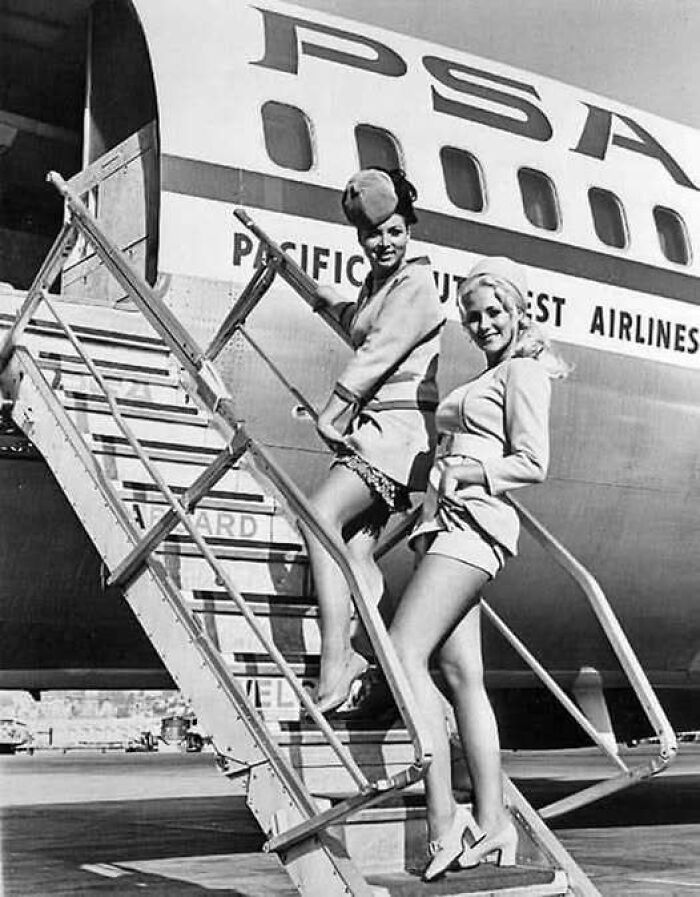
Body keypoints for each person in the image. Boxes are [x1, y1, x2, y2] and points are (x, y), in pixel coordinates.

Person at [389, 255, 570, 881]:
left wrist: (469, 472)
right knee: (462, 674)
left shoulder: (523, 371)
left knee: (403, 653)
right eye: (474, 316)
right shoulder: (492, 373)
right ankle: (493, 823)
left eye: (495, 312)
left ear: (519, 311)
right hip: (445, 524)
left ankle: (443, 821)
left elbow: (534, 461)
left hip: (472, 526)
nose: (484, 323)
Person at [301, 167, 445, 715]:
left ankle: (337, 660)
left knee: (318, 517)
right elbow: (363, 324)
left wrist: (332, 411)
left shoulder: (416, 283)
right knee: (355, 550)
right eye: (372, 235)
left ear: (409, 229)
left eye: (394, 231)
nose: (384, 243)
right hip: (381, 434)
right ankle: (369, 650)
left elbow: (379, 349)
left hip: (396, 435)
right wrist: (327, 301)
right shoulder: (380, 285)